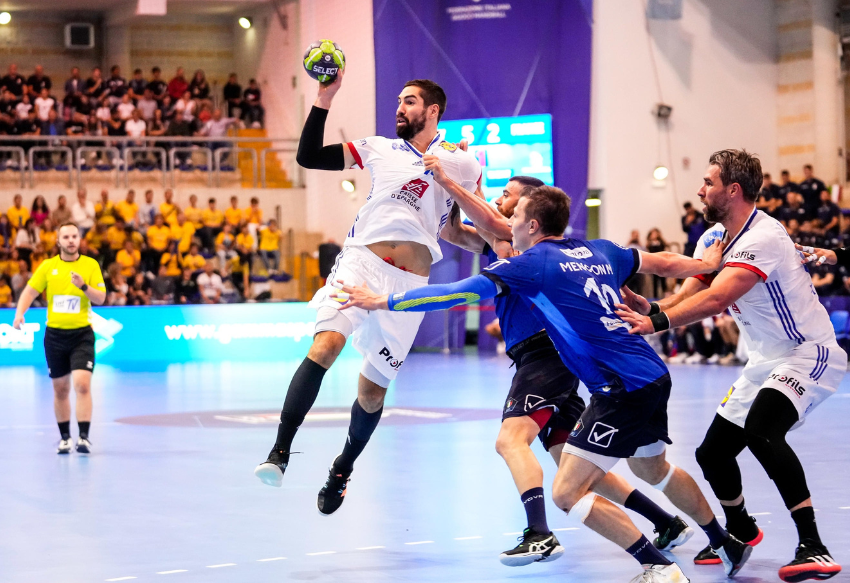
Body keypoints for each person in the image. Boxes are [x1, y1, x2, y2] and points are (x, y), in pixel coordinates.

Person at [334, 185, 749, 582]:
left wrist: (381, 301)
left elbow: (456, 293)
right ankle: (724, 541)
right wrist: (704, 265)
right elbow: (659, 262)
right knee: (649, 466)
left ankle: (657, 565)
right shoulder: (600, 250)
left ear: (532, 226)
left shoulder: (530, 264)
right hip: (653, 373)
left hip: (618, 386)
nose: (507, 221)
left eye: (514, 215)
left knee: (567, 493)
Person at [430, 172, 710, 566]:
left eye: (507, 196)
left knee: (511, 440)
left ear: (530, 213)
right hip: (543, 357)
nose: (499, 200)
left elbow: (489, 221)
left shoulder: (522, 247)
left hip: (546, 353)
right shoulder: (503, 240)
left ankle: (539, 534)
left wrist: (452, 175)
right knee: (571, 458)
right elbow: (452, 230)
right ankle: (666, 522)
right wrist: (442, 193)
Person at [252, 73, 484, 519]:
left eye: (410, 101)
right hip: (361, 263)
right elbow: (308, 156)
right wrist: (325, 97)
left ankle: (342, 468)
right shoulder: (379, 147)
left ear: (433, 111)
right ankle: (279, 452)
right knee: (326, 345)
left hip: (409, 287)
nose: (399, 107)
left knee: (373, 393)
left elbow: (456, 229)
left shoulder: (461, 164)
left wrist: (500, 246)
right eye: (399, 100)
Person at [616, 150, 845, 582]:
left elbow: (718, 298)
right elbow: (690, 294)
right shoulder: (712, 240)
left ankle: (812, 546)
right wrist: (651, 307)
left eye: (707, 182)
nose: (700, 189)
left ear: (732, 190)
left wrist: (655, 323)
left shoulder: (765, 237)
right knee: (712, 454)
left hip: (807, 352)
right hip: (765, 360)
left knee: (762, 429)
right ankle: (740, 531)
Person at [13, 222, 106, 454]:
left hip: (82, 334)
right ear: (58, 241)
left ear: (79, 239)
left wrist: (83, 286)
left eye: (74, 236)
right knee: (61, 389)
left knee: (82, 385)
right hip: (55, 336)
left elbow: (101, 298)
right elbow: (31, 291)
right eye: (66, 237)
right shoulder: (48, 266)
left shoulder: (90, 265)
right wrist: (19, 313)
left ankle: (83, 437)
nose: (71, 240)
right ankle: (65, 438)